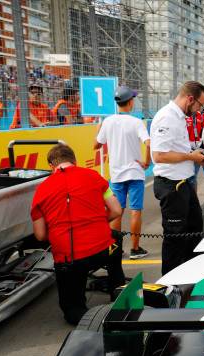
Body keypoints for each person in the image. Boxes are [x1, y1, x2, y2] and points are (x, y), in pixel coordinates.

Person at [31, 144, 125, 325]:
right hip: (103, 249)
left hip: (70, 259)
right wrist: (97, 222)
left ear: (52, 166)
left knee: (72, 311)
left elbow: (41, 235)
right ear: (74, 161)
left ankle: (87, 316)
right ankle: (117, 289)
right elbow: (116, 210)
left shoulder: (41, 190)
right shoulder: (94, 176)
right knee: (116, 239)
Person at [150, 81, 204, 274]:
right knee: (175, 238)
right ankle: (171, 283)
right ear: (190, 99)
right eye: (200, 105)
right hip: (171, 186)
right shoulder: (166, 117)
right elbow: (159, 155)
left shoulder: (179, 116)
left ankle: (191, 274)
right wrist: (192, 157)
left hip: (184, 183)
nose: (200, 110)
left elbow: (181, 149)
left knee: (195, 229)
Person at [94, 85, 150, 259]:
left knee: (117, 211)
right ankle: (135, 249)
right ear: (130, 102)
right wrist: (146, 162)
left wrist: (100, 129)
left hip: (117, 174)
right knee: (136, 211)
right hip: (135, 172)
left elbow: (96, 145)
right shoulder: (136, 122)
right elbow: (148, 143)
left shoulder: (108, 121)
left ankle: (116, 249)